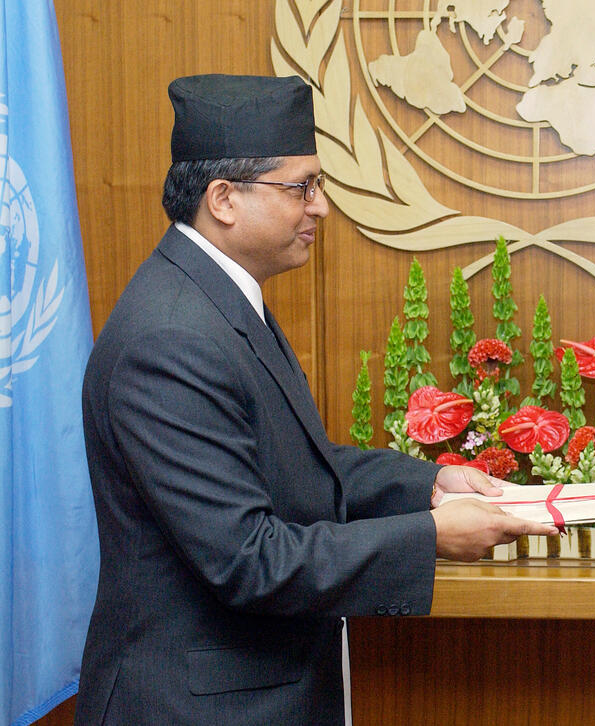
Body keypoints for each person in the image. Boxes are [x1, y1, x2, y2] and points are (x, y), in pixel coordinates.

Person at [76, 74, 552, 725]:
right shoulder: (171, 338)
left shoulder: (215, 300)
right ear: (224, 199)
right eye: (301, 187)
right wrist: (429, 537)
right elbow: (249, 559)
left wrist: (429, 485)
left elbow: (291, 465)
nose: (321, 207)